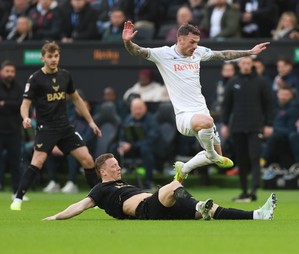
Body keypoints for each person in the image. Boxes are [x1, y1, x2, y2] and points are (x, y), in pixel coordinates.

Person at [122, 21, 270, 182]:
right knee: (208, 127)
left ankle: (184, 168)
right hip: (184, 116)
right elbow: (138, 51)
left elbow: (223, 54)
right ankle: (210, 154)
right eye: (192, 42)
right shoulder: (163, 54)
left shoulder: (198, 52)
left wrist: (249, 52)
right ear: (180, 39)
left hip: (202, 111)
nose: (195, 46)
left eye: (197, 42)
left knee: (217, 155)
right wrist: (127, 42)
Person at [42, 153, 277, 221]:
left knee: (212, 208)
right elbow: (80, 205)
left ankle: (257, 215)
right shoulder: (100, 190)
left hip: (160, 205)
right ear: (102, 171)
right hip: (147, 210)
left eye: (118, 165)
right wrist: (55, 217)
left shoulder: (123, 183)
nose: (118, 168)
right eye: (114, 166)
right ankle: (197, 205)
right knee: (172, 185)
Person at [10, 41, 102, 211]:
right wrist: (25, 118)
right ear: (42, 58)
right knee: (37, 161)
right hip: (47, 128)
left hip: (65, 127)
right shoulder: (35, 79)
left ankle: (96, 199)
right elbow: (25, 104)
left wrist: (91, 121)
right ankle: (18, 198)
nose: (53, 59)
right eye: (50, 56)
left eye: (56, 56)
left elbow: (76, 99)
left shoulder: (65, 75)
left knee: (88, 160)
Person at [221, 56, 273, 202]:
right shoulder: (232, 82)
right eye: (243, 63)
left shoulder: (261, 82)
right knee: (241, 160)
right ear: (239, 64)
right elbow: (227, 105)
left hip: (255, 126)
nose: (246, 66)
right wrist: (225, 124)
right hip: (237, 126)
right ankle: (244, 191)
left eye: (248, 63)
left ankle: (254, 189)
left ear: (252, 64)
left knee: (255, 158)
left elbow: (269, 104)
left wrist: (269, 124)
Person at [118, 98, 165, 189]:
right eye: (135, 108)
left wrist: (131, 145)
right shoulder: (128, 120)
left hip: (152, 149)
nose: (137, 111)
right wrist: (122, 144)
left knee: (145, 148)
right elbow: (122, 136)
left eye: (139, 108)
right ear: (131, 109)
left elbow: (151, 139)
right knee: (114, 148)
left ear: (145, 108)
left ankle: (149, 181)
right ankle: (115, 182)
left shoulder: (152, 120)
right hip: (133, 149)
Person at [0, 60, 23, 195]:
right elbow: (15, 105)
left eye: (12, 71)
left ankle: (17, 192)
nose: (10, 74)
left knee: (16, 162)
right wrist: (12, 105)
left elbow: (21, 105)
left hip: (14, 131)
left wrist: (4, 104)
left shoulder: (19, 88)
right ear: (1, 72)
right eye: (7, 71)